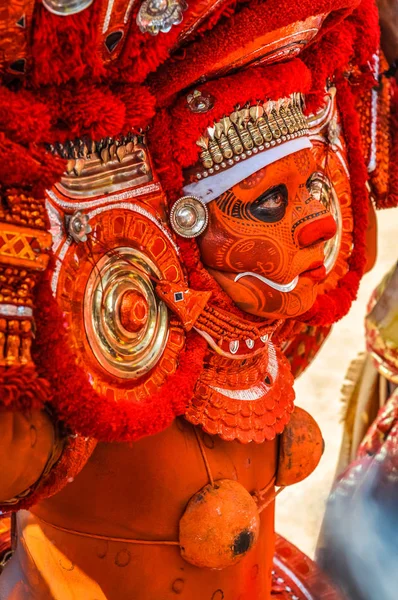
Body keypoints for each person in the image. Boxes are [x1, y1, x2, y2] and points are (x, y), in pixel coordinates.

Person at [0, 0, 395, 598]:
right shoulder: (95, 382)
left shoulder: (259, 343)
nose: (320, 219)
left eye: (316, 184)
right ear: (179, 222)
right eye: (268, 203)